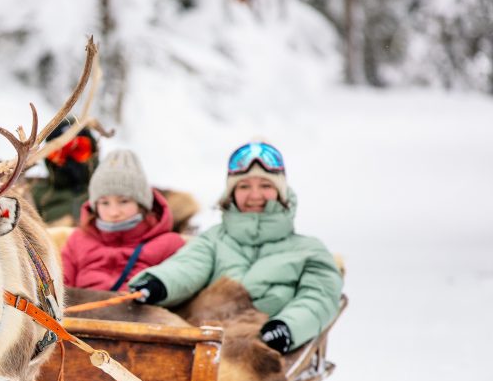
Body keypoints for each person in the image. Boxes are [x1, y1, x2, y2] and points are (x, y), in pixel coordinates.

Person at [128, 141, 343, 353]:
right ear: (231, 193)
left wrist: (286, 327)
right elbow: (187, 267)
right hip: (206, 344)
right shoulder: (213, 240)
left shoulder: (310, 251)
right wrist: (159, 283)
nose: (255, 195)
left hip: (260, 351)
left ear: (281, 192)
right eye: (244, 186)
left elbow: (318, 298)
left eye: (266, 186)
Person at [61, 149, 185, 290]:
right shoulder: (77, 241)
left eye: (124, 201)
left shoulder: (169, 244)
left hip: (141, 310)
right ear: (95, 206)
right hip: (81, 311)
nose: (114, 212)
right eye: (104, 203)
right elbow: (60, 287)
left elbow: (181, 282)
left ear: (141, 204)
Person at [30, 116, 99, 226]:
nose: (69, 160)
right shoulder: (34, 194)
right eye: (59, 153)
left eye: (79, 150)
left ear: (93, 152)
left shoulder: (108, 192)